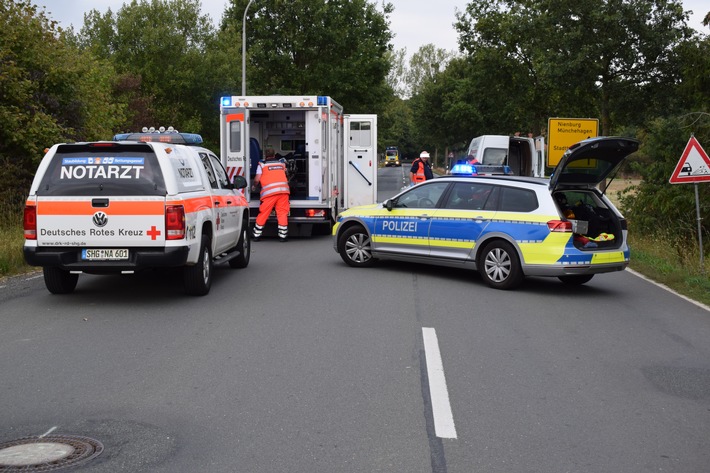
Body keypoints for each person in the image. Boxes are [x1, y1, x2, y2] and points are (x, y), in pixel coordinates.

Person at [252, 147, 290, 242]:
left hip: (270, 193)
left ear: (265, 155)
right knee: (282, 213)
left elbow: (257, 179)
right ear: (274, 155)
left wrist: (254, 186)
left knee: (264, 213)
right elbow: (286, 175)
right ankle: (283, 236)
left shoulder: (262, 165)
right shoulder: (281, 164)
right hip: (283, 192)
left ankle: (257, 235)